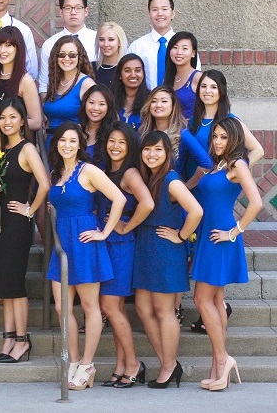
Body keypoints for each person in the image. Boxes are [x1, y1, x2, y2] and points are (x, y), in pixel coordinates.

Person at [46, 122, 125, 390]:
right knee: (62, 307)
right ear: (56, 143)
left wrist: (104, 232)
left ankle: (87, 365)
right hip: (62, 244)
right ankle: (74, 360)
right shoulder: (56, 172)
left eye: (72, 140)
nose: (67, 145)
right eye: (62, 140)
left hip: (84, 242)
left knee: (91, 307)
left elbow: (119, 199)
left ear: (80, 143)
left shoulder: (88, 170)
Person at [190, 117, 261, 391]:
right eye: (215, 136)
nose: (218, 141)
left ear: (235, 140)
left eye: (224, 137)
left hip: (220, 238)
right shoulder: (218, 164)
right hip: (208, 235)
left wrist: (234, 232)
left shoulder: (237, 164)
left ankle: (224, 359)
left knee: (201, 299)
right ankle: (218, 368)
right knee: (216, 300)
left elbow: (256, 202)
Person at [133, 130, 202, 388]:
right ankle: (168, 363)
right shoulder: (147, 178)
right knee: (142, 308)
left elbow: (196, 210)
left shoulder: (171, 179)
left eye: (158, 149)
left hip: (164, 247)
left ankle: (169, 365)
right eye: (147, 149)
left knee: (164, 311)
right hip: (145, 245)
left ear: (168, 154)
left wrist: (181, 236)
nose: (152, 154)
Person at [0, 98, 49, 364]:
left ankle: (22, 340)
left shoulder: (27, 148)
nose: (7, 122)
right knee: (3, 284)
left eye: (12, 117)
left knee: (14, 283)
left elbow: (44, 183)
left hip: (16, 225)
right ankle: (8, 337)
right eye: (3, 118)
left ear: (23, 120)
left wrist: (30, 210)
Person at [93, 122, 154, 388]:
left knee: (109, 306)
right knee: (114, 308)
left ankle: (133, 364)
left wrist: (127, 226)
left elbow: (147, 203)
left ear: (130, 147)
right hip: (106, 244)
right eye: (112, 141)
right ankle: (121, 366)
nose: (115, 146)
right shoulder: (106, 170)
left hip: (121, 245)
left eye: (122, 142)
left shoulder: (129, 173)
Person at [188, 70, 263, 172]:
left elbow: (258, 150)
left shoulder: (230, 122)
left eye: (213, 87)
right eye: (203, 86)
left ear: (221, 91)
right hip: (190, 179)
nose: (207, 91)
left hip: (214, 181)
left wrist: (232, 173)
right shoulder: (193, 121)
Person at [127, 0, 199, 90]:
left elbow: (196, 78)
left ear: (172, 13)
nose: (160, 14)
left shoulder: (186, 46)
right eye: (155, 10)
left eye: (164, 9)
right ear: (149, 14)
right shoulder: (136, 47)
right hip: (146, 98)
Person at [138, 86, 212, 180]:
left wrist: (187, 186)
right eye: (154, 101)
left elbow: (207, 163)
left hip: (171, 187)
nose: (158, 105)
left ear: (173, 106)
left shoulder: (182, 134)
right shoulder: (142, 133)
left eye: (164, 101)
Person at [0, 27, 44, 136]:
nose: (2, 50)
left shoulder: (25, 81)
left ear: (18, 49)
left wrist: (1, 119)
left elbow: (36, 122)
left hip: (16, 143)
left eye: (8, 45)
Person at [38, 0, 97, 95]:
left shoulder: (98, 41)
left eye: (78, 8)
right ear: (61, 12)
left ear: (86, 11)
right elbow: (44, 84)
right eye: (68, 8)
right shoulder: (50, 44)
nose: (73, 12)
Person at [42, 35, 95, 142]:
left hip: (73, 146)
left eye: (72, 55)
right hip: (50, 144)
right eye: (62, 55)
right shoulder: (53, 83)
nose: (66, 59)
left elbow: (96, 120)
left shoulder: (87, 84)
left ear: (80, 57)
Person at [162, 31, 201, 118]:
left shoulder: (198, 78)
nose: (179, 52)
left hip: (191, 126)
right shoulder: (168, 78)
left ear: (193, 53)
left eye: (185, 48)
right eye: (175, 47)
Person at [77, 84, 118, 159]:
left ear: (108, 107)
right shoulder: (76, 130)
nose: (95, 108)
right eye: (91, 102)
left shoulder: (113, 133)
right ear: (84, 104)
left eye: (101, 104)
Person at [110, 54, 148, 130]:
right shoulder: (110, 100)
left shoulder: (150, 101)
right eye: (127, 71)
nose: (133, 75)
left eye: (138, 70)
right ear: (120, 75)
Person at [94, 22, 128, 88]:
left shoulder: (125, 70)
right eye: (102, 39)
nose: (106, 44)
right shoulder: (90, 68)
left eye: (111, 40)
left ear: (119, 42)